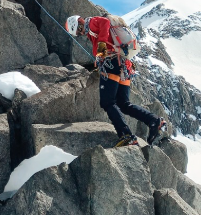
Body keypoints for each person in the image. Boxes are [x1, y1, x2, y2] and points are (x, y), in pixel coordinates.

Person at [65, 15, 167, 147]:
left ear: (79, 22)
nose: (81, 33)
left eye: (79, 29)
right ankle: (154, 121)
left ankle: (126, 135)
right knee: (124, 104)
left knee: (107, 102)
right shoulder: (91, 31)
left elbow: (105, 22)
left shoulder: (91, 22)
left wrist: (101, 45)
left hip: (112, 64)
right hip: (124, 65)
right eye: (79, 33)